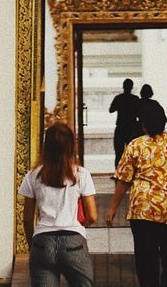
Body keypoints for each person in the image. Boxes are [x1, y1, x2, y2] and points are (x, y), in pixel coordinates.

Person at [104, 108, 167, 287]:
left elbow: (124, 180)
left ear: (143, 125)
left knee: (145, 259)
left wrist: (112, 208)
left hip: (142, 210)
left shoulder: (136, 145)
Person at [19, 123, 98, 287]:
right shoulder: (81, 175)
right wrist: (76, 226)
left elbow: (27, 219)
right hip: (73, 243)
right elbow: (92, 216)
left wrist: (33, 246)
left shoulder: (33, 176)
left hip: (42, 241)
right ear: (71, 147)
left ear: (46, 146)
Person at [109, 78, 141, 168]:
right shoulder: (135, 99)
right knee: (132, 152)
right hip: (132, 127)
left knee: (119, 152)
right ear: (132, 87)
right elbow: (139, 113)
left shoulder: (119, 98)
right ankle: (132, 171)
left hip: (121, 126)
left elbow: (111, 110)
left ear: (123, 87)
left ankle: (118, 171)